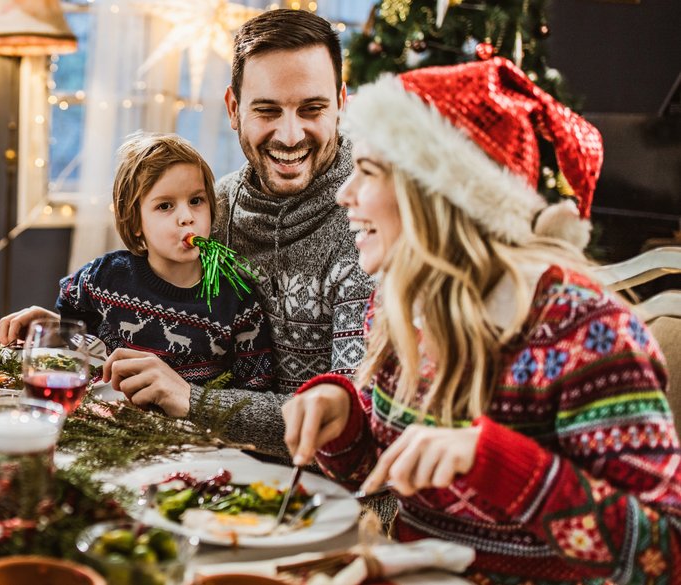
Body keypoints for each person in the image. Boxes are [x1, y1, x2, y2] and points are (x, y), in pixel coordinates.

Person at [282, 58, 681, 582]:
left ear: (442, 197)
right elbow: (384, 470)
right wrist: (343, 417)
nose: (344, 194)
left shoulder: (587, 333)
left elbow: (663, 555)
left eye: (370, 173)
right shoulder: (406, 301)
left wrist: (496, 462)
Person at [88, 11, 373, 458]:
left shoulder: (373, 226)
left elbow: (355, 426)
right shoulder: (212, 209)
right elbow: (138, 305)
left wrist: (193, 400)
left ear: (341, 103)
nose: (291, 134)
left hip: (335, 498)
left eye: (312, 109)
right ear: (234, 109)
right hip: (207, 467)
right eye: (267, 110)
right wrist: (59, 333)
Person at [0, 133, 275, 390]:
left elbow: (255, 385)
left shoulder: (237, 301)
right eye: (165, 206)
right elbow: (83, 338)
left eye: (196, 200)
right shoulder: (104, 277)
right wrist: (54, 327)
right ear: (136, 222)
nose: (186, 217)